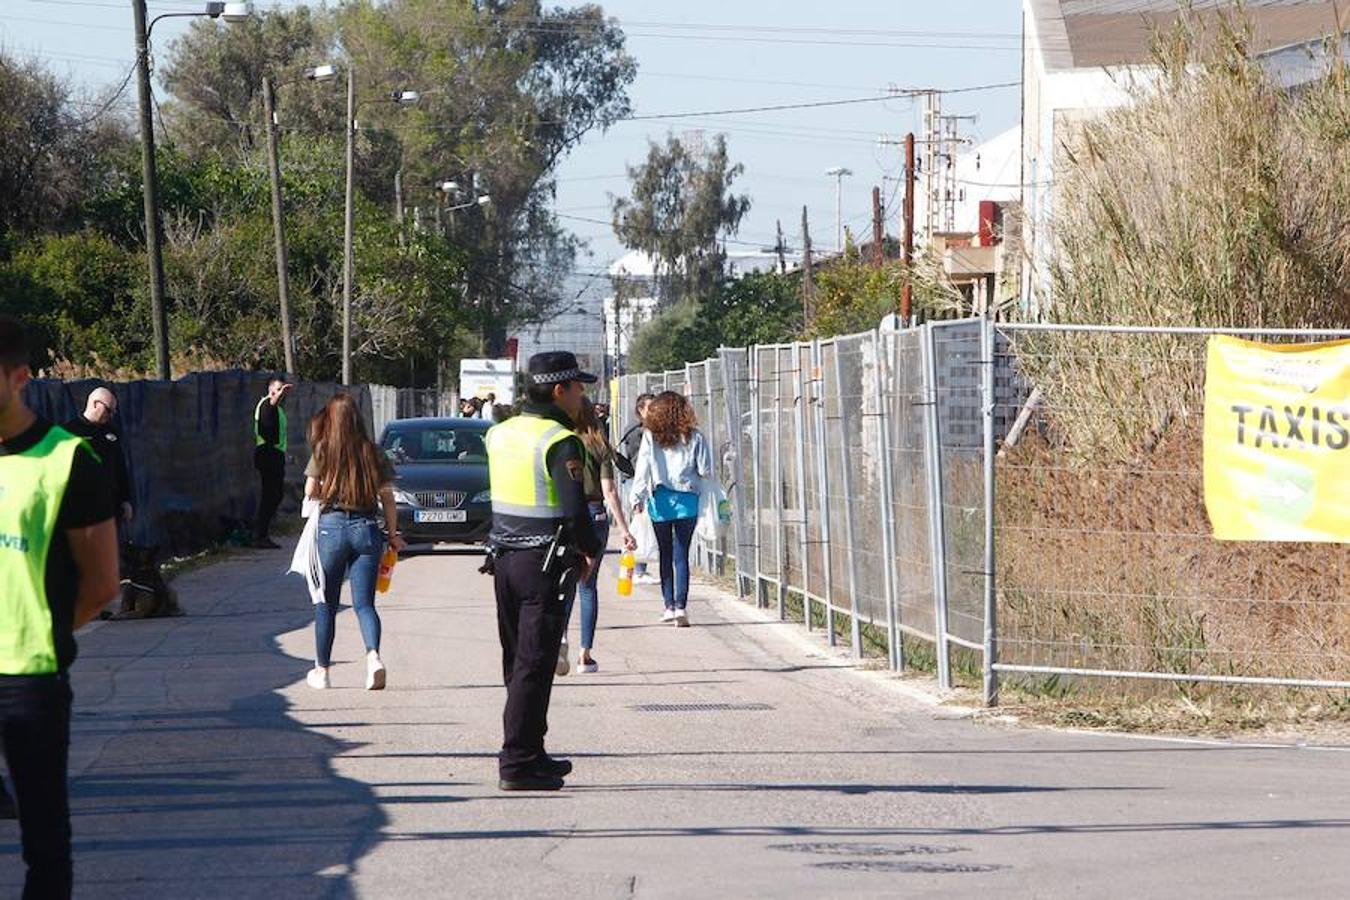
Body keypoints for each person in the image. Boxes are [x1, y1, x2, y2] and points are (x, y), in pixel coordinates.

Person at [0, 316, 120, 898]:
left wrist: (45, 629)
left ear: (19, 376)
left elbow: (101, 585)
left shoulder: (67, 460)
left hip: (31, 679)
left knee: (43, 844)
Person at [484, 351, 603, 791]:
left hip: (504, 560)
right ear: (559, 390)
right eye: (577, 387)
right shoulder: (559, 440)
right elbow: (574, 512)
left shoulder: (498, 433)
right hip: (543, 563)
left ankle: (533, 751)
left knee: (518, 662)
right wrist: (590, 550)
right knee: (535, 664)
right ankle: (517, 762)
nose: (581, 395)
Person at [303, 393, 405, 691]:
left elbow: (311, 489)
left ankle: (322, 672)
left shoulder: (323, 450)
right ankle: (373, 657)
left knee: (326, 604)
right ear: (357, 418)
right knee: (364, 604)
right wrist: (392, 535)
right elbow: (388, 499)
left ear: (332, 420)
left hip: (331, 528)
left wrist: (330, 491)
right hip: (367, 528)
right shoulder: (373, 452)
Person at [558, 398, 637, 676]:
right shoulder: (598, 444)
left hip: (567, 514)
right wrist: (625, 530)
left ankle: (561, 639)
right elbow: (610, 492)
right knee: (587, 586)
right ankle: (585, 655)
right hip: (595, 515)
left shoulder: (563, 442)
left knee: (565, 582)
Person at [630, 391, 713, 627]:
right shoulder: (694, 436)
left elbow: (643, 467)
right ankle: (681, 607)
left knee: (665, 553)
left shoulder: (650, 436)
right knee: (681, 555)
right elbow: (705, 469)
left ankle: (668, 606)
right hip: (688, 499)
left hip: (660, 500)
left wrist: (637, 497)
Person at [63, 387, 133, 526]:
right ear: (95, 404)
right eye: (108, 410)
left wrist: (125, 500)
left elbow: (119, 467)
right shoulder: (69, 432)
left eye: (113, 412)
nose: (111, 415)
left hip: (108, 508)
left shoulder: (111, 433)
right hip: (80, 509)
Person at [618, 393, 659, 584]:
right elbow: (636, 460)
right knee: (639, 522)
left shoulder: (653, 429)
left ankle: (639, 567)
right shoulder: (636, 431)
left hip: (645, 482)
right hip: (636, 481)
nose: (653, 411)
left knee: (643, 523)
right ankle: (637, 569)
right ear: (640, 410)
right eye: (649, 408)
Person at [252, 377, 292, 549]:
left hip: (275, 453)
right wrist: (277, 395)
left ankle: (262, 532)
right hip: (267, 453)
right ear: (270, 391)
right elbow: (272, 403)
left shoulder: (278, 410)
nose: (281, 393)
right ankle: (260, 535)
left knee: (275, 494)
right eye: (277, 389)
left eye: (282, 389)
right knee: (271, 495)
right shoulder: (267, 404)